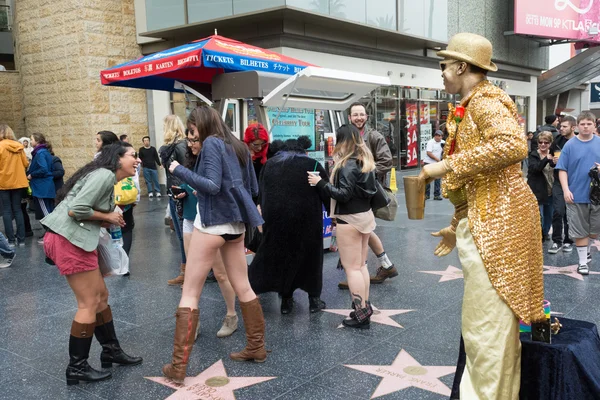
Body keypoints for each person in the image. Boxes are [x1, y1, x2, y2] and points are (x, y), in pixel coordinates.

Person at [419, 32, 546, 399]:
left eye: (444, 65)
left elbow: (512, 145)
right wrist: (457, 225)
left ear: (461, 66)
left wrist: (440, 166)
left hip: (500, 223)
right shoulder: (471, 103)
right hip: (488, 219)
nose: (441, 73)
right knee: (484, 325)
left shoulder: (485, 101)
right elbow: (478, 180)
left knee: (486, 326)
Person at [162, 106, 265, 383]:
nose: (191, 139)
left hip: (212, 224)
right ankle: (256, 347)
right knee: (243, 285)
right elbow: (252, 189)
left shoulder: (211, 145)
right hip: (236, 225)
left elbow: (211, 185)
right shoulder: (239, 146)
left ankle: (178, 367)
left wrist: (178, 169)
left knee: (190, 292)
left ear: (203, 126)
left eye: (193, 132)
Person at [41, 143, 142, 385]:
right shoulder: (105, 175)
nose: (137, 160)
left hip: (77, 240)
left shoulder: (106, 177)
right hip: (69, 241)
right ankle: (76, 367)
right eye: (132, 156)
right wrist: (107, 216)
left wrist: (106, 219)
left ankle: (111, 351)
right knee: (88, 303)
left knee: (101, 296)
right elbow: (76, 210)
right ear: (117, 159)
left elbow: (85, 209)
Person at [249, 136, 329, 314]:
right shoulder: (313, 165)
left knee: (283, 258)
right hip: (308, 222)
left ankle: (286, 301)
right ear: (303, 149)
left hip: (277, 222)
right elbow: (326, 191)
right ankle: (314, 300)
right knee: (312, 260)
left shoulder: (269, 165)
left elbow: (261, 194)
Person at [173, 127, 239, 338]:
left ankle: (231, 315)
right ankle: (193, 320)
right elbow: (188, 181)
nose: (192, 144)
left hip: (212, 223)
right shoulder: (191, 160)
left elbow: (213, 186)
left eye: (195, 140)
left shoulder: (214, 157)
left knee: (221, 274)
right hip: (191, 218)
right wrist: (182, 191)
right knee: (192, 276)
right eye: (189, 140)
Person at [309, 124, 377, 328]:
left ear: (343, 141)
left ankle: (361, 313)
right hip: (365, 217)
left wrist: (319, 182)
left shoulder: (347, 164)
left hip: (350, 219)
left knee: (352, 269)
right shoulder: (365, 161)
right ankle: (364, 307)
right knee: (361, 265)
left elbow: (343, 194)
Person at [338, 103, 397, 289]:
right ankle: (385, 265)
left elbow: (386, 161)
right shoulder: (350, 135)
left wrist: (364, 175)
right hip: (356, 192)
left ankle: (357, 272)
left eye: (361, 114)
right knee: (364, 229)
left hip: (366, 192)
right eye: (355, 115)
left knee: (361, 228)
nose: (359, 118)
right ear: (349, 117)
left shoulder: (373, 136)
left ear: (366, 117)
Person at [556, 111, 600, 275]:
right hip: (576, 195)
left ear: (594, 125)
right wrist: (566, 189)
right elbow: (562, 169)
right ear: (577, 126)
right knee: (579, 230)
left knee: (594, 231)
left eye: (589, 123)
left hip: (597, 196)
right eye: (583, 124)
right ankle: (582, 262)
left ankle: (587, 249)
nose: (586, 127)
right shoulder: (570, 145)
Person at [159, 115, 188, 286]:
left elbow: (185, 170)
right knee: (181, 235)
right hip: (175, 192)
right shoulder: (172, 147)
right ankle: (185, 271)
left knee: (185, 235)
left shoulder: (175, 147)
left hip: (180, 194)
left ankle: (189, 272)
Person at [548, 116, 576, 254]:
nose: (561, 128)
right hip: (559, 180)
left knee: (569, 213)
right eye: (561, 126)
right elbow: (552, 160)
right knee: (558, 211)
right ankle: (556, 240)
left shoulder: (578, 142)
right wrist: (553, 161)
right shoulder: (557, 141)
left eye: (565, 126)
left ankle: (568, 240)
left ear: (573, 127)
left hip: (574, 181)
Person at [0, 124, 29, 247]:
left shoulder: (0, 146)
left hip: (3, 182)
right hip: (18, 182)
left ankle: (11, 240)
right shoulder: (19, 146)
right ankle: (21, 239)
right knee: (18, 209)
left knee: (6, 210)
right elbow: (26, 163)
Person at [27, 134, 56, 244]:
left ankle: (50, 234)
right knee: (49, 210)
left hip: (42, 187)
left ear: (37, 141)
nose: (30, 141)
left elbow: (43, 169)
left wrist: (32, 175)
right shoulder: (44, 152)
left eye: (32, 139)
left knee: (46, 212)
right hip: (46, 185)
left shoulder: (39, 153)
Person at [527, 132, 554, 241]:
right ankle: (539, 234)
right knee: (539, 215)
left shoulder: (554, 154)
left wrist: (555, 162)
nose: (543, 144)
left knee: (549, 214)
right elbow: (536, 168)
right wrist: (546, 159)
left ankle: (545, 232)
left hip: (551, 188)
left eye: (546, 142)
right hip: (538, 189)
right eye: (540, 142)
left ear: (550, 143)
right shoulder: (534, 154)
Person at [423, 130, 445, 200]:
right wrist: (437, 159)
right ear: (435, 136)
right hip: (429, 162)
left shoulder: (443, 142)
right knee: (428, 179)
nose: (439, 138)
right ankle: (426, 194)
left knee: (438, 179)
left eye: (441, 136)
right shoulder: (430, 142)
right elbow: (429, 153)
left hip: (437, 163)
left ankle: (437, 195)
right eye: (438, 136)